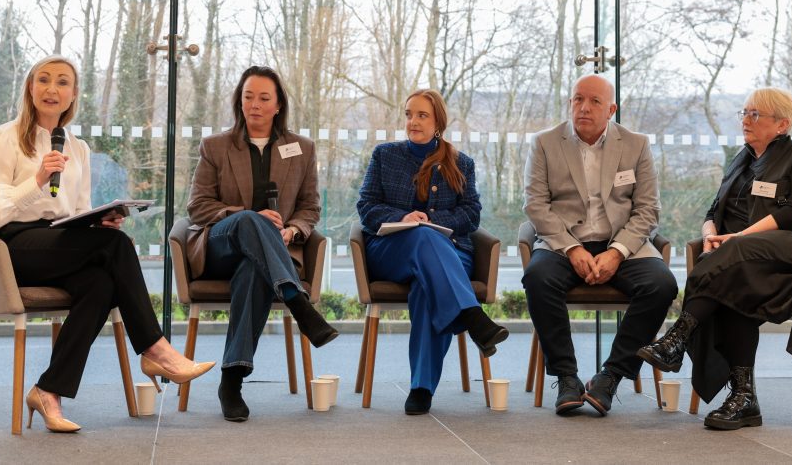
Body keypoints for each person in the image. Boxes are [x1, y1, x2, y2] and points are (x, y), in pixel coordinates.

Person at [0, 55, 215, 433]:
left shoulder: (78, 147)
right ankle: (155, 348)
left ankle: (47, 390)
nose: (52, 89)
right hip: (14, 247)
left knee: (100, 285)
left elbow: (77, 211)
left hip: (60, 241)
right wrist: (37, 179)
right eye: (44, 80)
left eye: (62, 82)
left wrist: (100, 220)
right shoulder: (3, 137)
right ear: (30, 88)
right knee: (117, 246)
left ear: (73, 95)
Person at [638, 87, 792, 430]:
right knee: (731, 290)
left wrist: (736, 238)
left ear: (782, 124)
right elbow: (713, 210)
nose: (746, 121)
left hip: (791, 259)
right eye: (745, 113)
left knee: (732, 255)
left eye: (755, 115)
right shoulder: (741, 160)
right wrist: (710, 236)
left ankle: (678, 336)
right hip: (742, 269)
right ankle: (744, 399)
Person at [186, 65, 338, 422]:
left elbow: (309, 207)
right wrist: (245, 215)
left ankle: (231, 380)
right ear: (239, 102)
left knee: (253, 271)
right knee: (250, 221)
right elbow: (197, 206)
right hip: (221, 245)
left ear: (278, 104)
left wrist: (292, 231)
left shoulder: (301, 149)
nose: (254, 104)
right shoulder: (216, 146)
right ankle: (297, 302)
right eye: (248, 97)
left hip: (272, 252)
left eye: (263, 98)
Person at [522, 74, 677, 416]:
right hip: (563, 243)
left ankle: (610, 376)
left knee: (662, 284)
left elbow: (648, 209)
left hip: (622, 244)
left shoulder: (635, 144)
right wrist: (571, 248)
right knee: (537, 278)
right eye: (578, 99)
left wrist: (617, 251)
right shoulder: (546, 143)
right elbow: (535, 205)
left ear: (611, 109)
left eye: (594, 102)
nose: (584, 108)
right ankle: (566, 377)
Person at [357, 89, 508, 415]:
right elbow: (366, 207)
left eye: (422, 115)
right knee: (421, 237)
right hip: (392, 250)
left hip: (450, 253)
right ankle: (471, 314)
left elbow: (472, 214)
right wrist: (403, 218)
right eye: (409, 114)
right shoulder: (384, 156)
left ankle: (421, 388)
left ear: (438, 121)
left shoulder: (461, 163)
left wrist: (432, 220)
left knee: (427, 287)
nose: (413, 121)